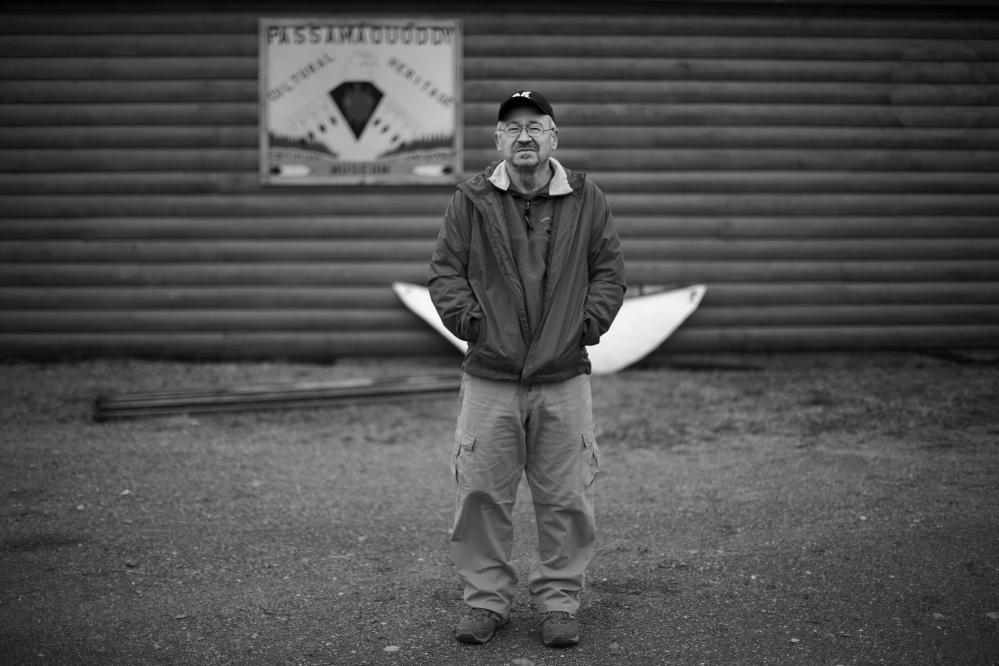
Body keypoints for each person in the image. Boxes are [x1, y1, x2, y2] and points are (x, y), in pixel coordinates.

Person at [428, 91, 627, 647]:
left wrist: (585, 326)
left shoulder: (588, 199)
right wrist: (472, 323)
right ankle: (486, 603)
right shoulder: (469, 200)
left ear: (553, 139)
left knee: (565, 496)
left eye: (535, 127)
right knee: (482, 494)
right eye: (512, 128)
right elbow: (445, 272)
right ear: (498, 140)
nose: (524, 137)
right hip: (490, 375)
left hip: (564, 375)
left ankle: (560, 603)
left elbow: (609, 271)